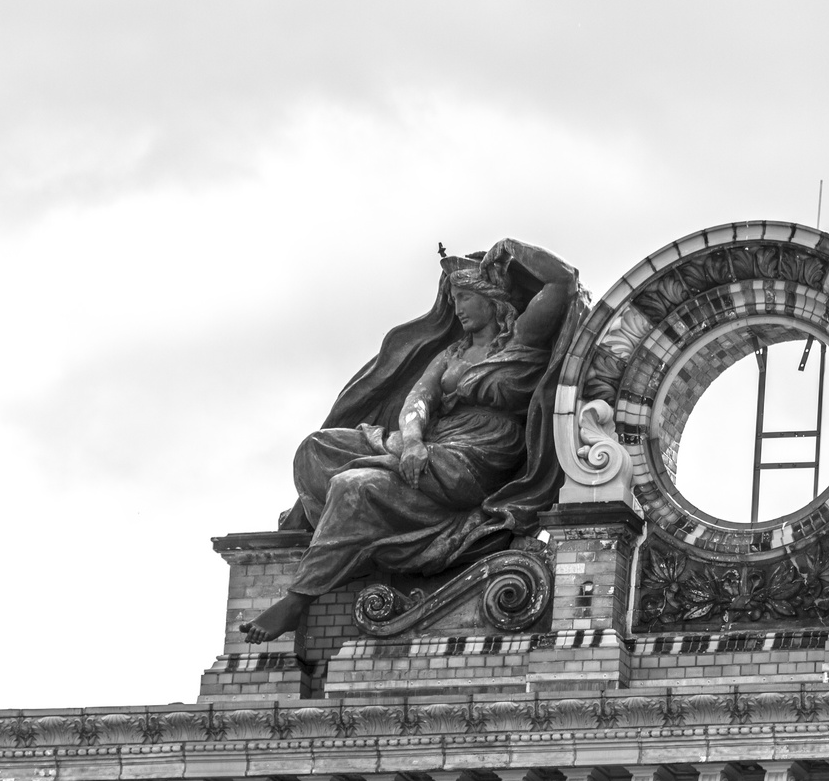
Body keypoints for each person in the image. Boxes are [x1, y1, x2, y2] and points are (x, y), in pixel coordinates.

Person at [241, 238, 583, 643]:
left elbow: (563, 282)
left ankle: (297, 599)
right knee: (315, 450)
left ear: (491, 299)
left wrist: (511, 248)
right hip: (431, 444)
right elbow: (417, 400)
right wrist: (414, 440)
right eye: (453, 298)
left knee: (352, 487)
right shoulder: (450, 355)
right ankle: (361, 532)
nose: (457, 309)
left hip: (478, 455)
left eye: (464, 297)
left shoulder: (521, 340)